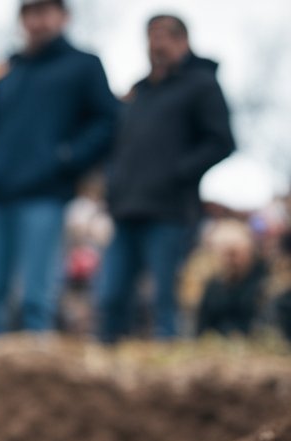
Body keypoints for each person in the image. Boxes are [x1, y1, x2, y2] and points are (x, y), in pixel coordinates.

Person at [0, 0, 117, 338]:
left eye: (46, 11)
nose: (38, 20)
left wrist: (66, 158)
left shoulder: (83, 66)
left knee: (36, 294)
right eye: (31, 13)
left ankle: (36, 366)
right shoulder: (7, 74)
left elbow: (107, 121)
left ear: (64, 17)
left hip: (44, 195)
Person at [96, 14, 235, 343]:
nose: (156, 45)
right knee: (110, 295)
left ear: (183, 42)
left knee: (164, 296)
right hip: (127, 207)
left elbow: (221, 141)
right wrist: (113, 185)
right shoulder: (138, 93)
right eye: (151, 37)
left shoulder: (201, 85)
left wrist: (177, 173)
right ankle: (105, 364)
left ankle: (168, 357)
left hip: (170, 210)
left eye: (164, 37)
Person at [196, 220, 265, 337]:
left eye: (235, 253)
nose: (231, 260)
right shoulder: (213, 285)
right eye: (226, 254)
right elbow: (203, 324)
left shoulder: (262, 281)